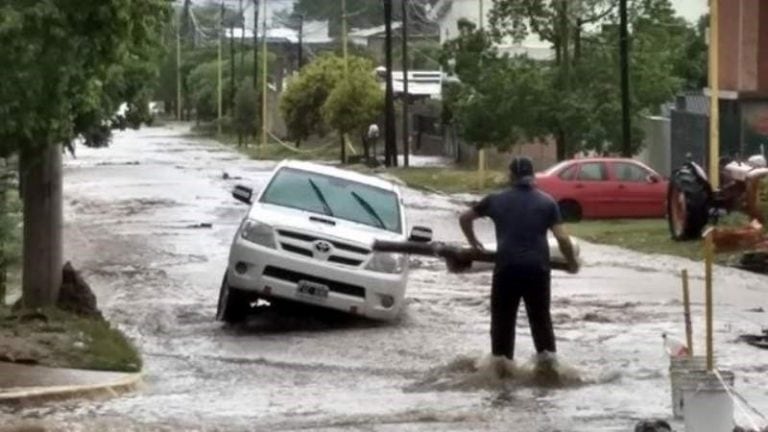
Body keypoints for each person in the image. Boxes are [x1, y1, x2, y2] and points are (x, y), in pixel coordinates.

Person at [459, 156, 579, 367]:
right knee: (541, 322)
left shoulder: (495, 200)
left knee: (502, 324)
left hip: (506, 269)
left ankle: (502, 371)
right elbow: (562, 239)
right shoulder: (547, 202)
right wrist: (571, 263)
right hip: (537, 271)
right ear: (532, 177)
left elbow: (465, 218)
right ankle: (549, 371)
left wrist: (473, 242)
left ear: (511, 176)